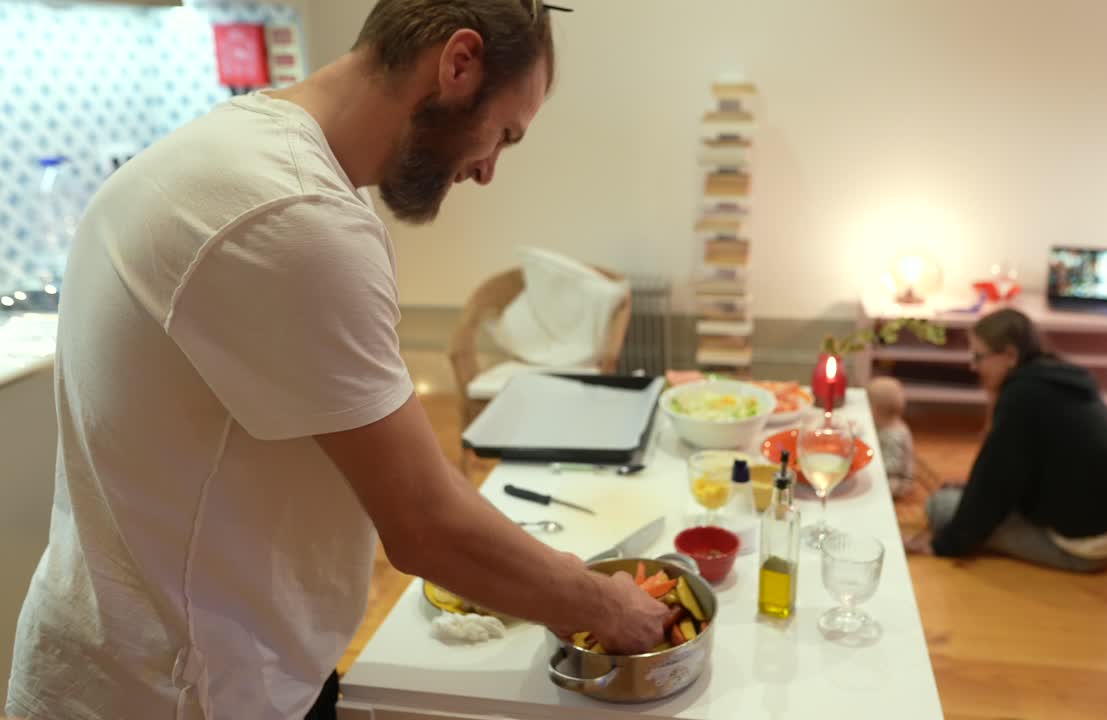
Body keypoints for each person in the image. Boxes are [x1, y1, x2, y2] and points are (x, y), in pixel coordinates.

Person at [5, 2, 669, 719]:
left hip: (177, 660)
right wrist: (605, 605)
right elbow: (425, 523)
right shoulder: (295, 213)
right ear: (458, 64)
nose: (488, 171)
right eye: (504, 134)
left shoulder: (243, 153)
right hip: (179, 692)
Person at [907, 308, 1107, 572]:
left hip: (1086, 547)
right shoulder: (1062, 373)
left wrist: (944, 545)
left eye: (978, 357)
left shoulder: (1021, 398)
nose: (973, 366)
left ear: (1010, 356)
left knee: (940, 507)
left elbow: (993, 485)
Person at [867, 376, 915, 498]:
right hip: (886, 470)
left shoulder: (894, 435)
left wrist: (872, 465)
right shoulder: (883, 424)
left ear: (876, 410)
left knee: (872, 486)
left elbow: (895, 465)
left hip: (897, 479)